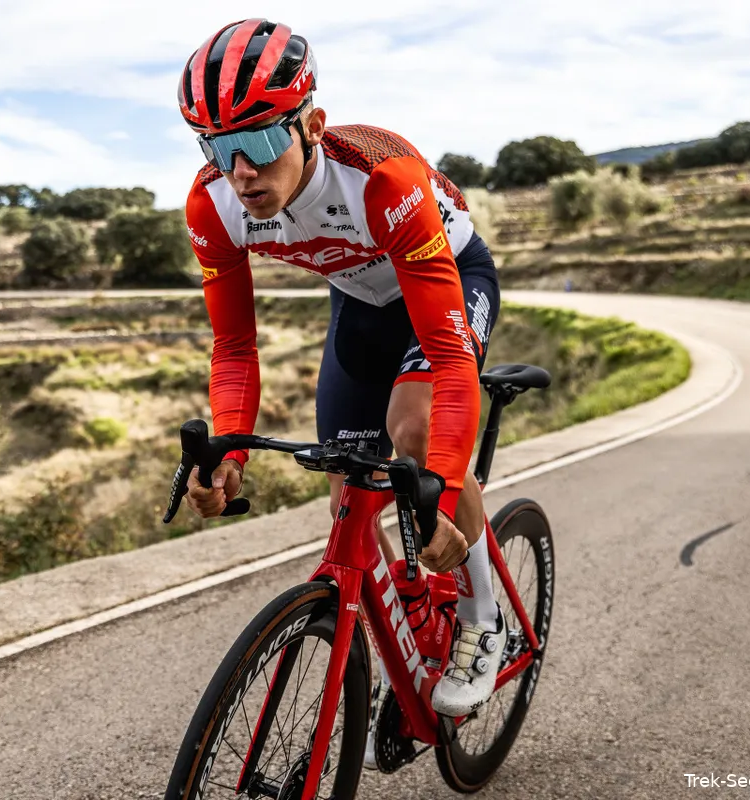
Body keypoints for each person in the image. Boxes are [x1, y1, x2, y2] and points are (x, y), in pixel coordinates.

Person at [177, 19, 505, 735]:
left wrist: (444, 490)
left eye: (261, 141)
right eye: (218, 147)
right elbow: (234, 345)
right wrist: (229, 450)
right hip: (361, 304)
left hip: (448, 283)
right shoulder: (214, 206)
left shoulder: (381, 181)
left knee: (413, 432)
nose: (242, 171)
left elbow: (449, 360)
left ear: (313, 126)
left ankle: (483, 617)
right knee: (347, 494)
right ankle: (412, 617)